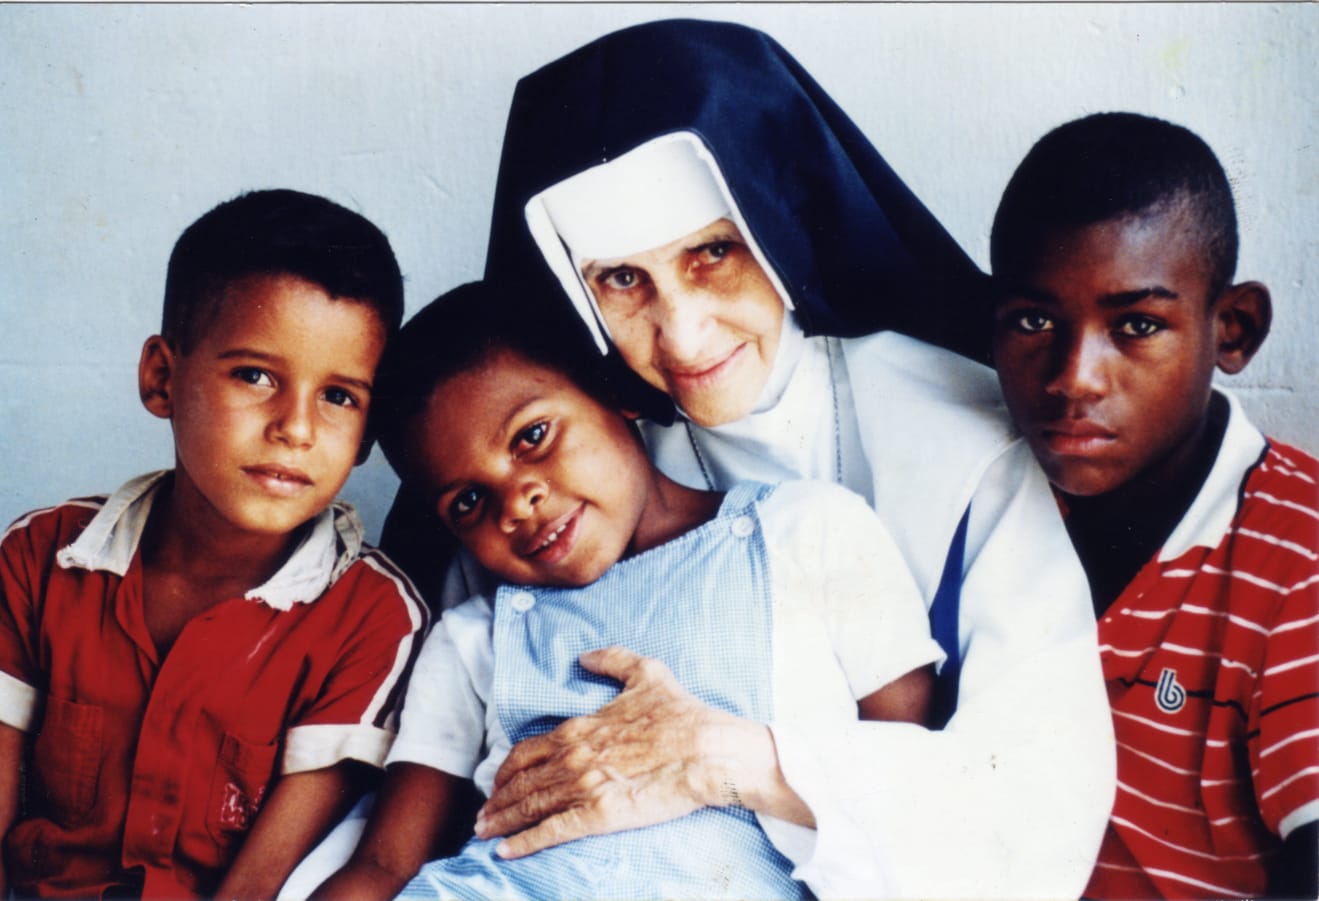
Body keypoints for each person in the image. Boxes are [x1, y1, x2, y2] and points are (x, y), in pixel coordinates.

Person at [385, 18, 1115, 899]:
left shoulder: (964, 438)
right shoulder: (574, 459)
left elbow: (1036, 820)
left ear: (779, 225)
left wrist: (725, 757)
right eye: (620, 280)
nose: (682, 334)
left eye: (713, 252)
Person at [310, 282, 941, 900]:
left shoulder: (805, 529)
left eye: (533, 437)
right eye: (469, 501)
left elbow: (913, 779)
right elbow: (386, 864)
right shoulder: (474, 636)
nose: (517, 503)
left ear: (615, 393)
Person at [0, 189, 428, 899]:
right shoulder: (41, 558)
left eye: (339, 396)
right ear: (162, 377)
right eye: (255, 375)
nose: (296, 427)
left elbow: (257, 886)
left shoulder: (372, 617)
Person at [989, 112, 1319, 900]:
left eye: (1135, 325)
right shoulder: (975, 491)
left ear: (1231, 329)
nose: (1074, 377)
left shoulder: (1297, 554)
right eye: (1034, 322)